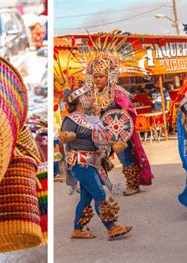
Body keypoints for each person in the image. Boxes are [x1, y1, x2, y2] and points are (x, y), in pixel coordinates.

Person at [61, 85, 132, 239]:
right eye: (86, 95)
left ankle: (77, 229)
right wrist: (68, 136)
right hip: (81, 162)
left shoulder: (92, 119)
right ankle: (111, 227)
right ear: (79, 101)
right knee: (99, 192)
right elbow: (64, 135)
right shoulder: (71, 119)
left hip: (95, 161)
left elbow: (104, 138)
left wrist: (115, 145)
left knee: (86, 197)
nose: (90, 98)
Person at [86, 52, 152, 196]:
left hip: (117, 133)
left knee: (125, 158)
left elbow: (126, 109)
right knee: (96, 158)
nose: (97, 80)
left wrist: (120, 129)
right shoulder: (93, 95)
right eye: (95, 77)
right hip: (102, 134)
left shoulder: (117, 92)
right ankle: (96, 186)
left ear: (109, 77)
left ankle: (133, 184)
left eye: (101, 76)